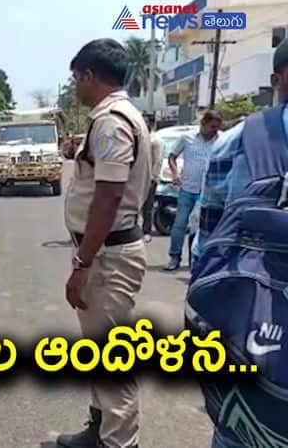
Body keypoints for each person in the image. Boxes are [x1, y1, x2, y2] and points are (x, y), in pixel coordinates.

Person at [193, 39, 288, 448]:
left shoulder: (242, 141)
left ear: (276, 80)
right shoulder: (235, 140)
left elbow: (208, 249)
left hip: (253, 337)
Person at [58, 38, 151, 448]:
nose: (75, 86)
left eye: (76, 78)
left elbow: (109, 197)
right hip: (106, 251)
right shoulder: (115, 117)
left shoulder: (112, 120)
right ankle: (98, 431)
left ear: (89, 76)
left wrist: (82, 264)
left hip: (108, 257)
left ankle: (118, 443)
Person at [162, 110, 222, 271]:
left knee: (200, 227)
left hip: (208, 191)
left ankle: (194, 261)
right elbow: (172, 156)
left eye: (217, 127)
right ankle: (174, 257)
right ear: (203, 124)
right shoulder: (187, 137)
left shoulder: (222, 140)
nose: (214, 130)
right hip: (188, 188)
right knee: (180, 224)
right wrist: (175, 174)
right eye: (212, 127)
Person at [140, 113, 163, 243]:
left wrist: (152, 178)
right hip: (138, 178)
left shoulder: (155, 140)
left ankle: (146, 232)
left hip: (149, 179)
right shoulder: (140, 138)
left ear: (151, 124)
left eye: (146, 122)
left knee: (147, 207)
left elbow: (158, 161)